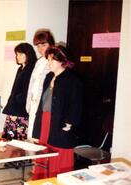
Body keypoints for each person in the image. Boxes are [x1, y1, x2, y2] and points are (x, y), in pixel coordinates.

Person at [32, 46, 83, 179]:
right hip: (45, 120)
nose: (49, 63)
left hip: (61, 122)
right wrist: (37, 126)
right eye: (48, 60)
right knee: (44, 152)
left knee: (59, 152)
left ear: (62, 61)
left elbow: (76, 104)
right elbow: (42, 102)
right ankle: (42, 180)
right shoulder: (49, 77)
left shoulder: (73, 80)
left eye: (52, 60)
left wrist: (70, 122)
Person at [2, 43, 37, 141]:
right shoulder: (20, 68)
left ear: (28, 54)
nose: (18, 57)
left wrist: (18, 100)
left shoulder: (31, 69)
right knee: (9, 137)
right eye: (17, 54)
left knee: (18, 138)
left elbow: (28, 91)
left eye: (21, 54)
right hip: (13, 107)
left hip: (21, 109)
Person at [26, 29, 55, 140]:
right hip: (34, 103)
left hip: (44, 105)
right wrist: (28, 103)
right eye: (38, 46)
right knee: (32, 137)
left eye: (43, 45)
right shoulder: (39, 61)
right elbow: (32, 84)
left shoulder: (54, 60)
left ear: (50, 44)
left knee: (40, 137)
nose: (40, 49)